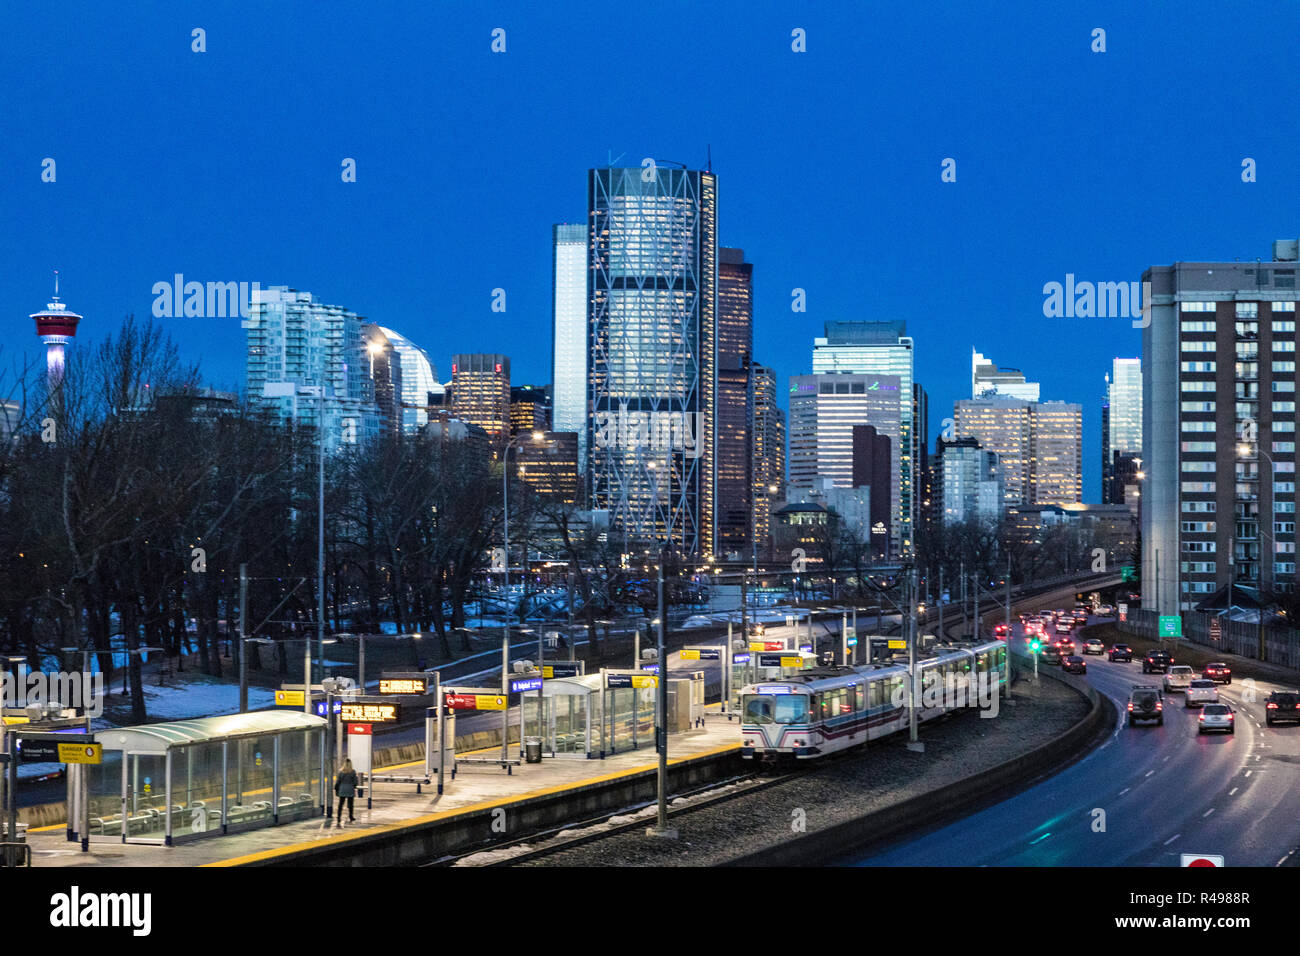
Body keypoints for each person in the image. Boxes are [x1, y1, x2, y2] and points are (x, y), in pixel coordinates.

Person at [334, 758, 358, 826]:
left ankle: (339, 817)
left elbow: (338, 781)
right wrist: (354, 786)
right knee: (350, 804)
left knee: (341, 804)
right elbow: (355, 782)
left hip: (342, 789)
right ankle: (351, 816)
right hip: (350, 789)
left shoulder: (341, 772)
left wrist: (336, 788)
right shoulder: (353, 772)